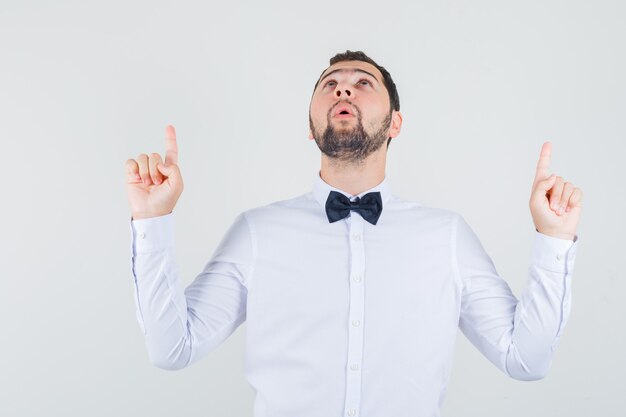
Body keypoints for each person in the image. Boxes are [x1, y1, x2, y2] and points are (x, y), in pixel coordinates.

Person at [124, 50, 583, 417]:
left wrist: (553, 239)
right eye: (330, 84)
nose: (343, 86)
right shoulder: (257, 232)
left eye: (364, 82)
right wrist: (152, 221)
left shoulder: (446, 236)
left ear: (395, 124)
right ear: (311, 126)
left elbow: (526, 359)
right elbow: (172, 348)